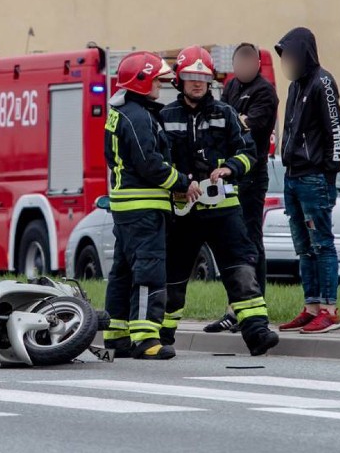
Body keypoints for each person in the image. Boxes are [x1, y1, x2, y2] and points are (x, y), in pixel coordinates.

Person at [160, 45, 279, 356]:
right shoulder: (164, 117)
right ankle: (163, 336)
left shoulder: (226, 114)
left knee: (241, 268)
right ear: (179, 80)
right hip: (183, 211)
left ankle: (257, 332)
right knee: (174, 277)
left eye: (203, 77)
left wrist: (230, 167)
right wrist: (180, 182)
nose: (197, 83)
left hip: (223, 211)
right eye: (190, 77)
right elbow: (158, 160)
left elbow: (249, 152)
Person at [103, 51, 201, 360]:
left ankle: (117, 334)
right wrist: (183, 183)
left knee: (122, 271)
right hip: (143, 208)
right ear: (142, 81)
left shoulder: (121, 112)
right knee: (149, 270)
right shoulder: (139, 116)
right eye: (157, 80)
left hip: (125, 207)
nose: (162, 85)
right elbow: (150, 164)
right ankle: (146, 338)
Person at [275, 27, 340, 334]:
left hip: (314, 177)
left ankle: (330, 310)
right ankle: (312, 305)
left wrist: (328, 172)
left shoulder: (323, 82)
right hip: (293, 177)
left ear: (303, 53)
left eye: (289, 55)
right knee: (303, 247)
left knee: (322, 244)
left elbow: (335, 131)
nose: (286, 62)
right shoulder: (295, 87)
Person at [205, 43, 279, 333]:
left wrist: (229, 122)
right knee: (230, 244)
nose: (242, 69)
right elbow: (222, 118)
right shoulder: (232, 86)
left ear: (257, 64)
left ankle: (252, 306)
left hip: (251, 175)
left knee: (249, 241)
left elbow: (246, 124)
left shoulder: (264, 91)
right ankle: (233, 308)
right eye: (237, 63)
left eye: (247, 63)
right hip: (228, 175)